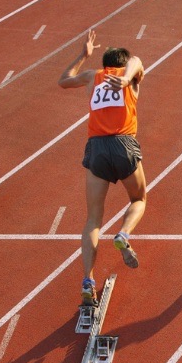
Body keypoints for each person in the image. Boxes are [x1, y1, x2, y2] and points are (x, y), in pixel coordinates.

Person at [59, 30, 147, 305]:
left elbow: (63, 81)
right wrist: (125, 78)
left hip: (96, 147)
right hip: (124, 144)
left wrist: (82, 55)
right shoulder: (130, 80)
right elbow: (138, 61)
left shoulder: (92, 77)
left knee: (93, 219)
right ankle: (123, 234)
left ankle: (88, 279)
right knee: (138, 198)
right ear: (123, 65)